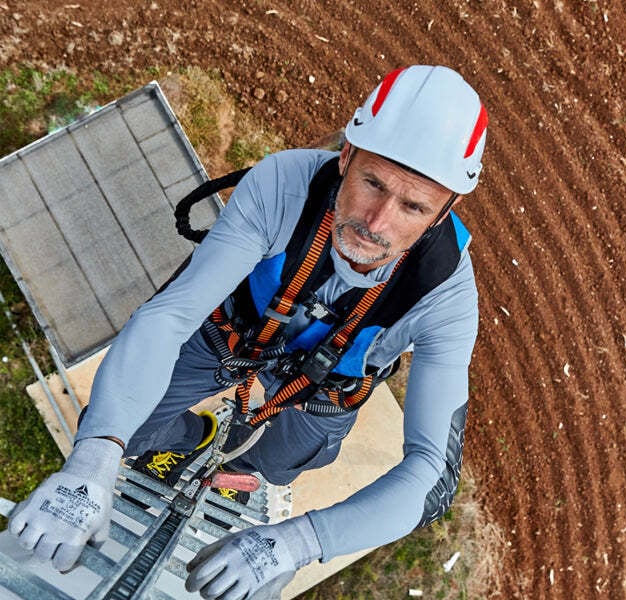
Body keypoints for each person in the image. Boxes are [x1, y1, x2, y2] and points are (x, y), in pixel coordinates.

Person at [9, 64, 488, 599]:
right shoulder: (285, 184)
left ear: (448, 208)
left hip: (324, 386)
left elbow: (433, 470)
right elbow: (171, 315)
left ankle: (251, 466)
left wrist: (299, 542)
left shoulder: (446, 294)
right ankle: (199, 437)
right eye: (372, 183)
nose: (376, 223)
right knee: (133, 434)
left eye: (413, 206)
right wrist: (94, 457)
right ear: (346, 156)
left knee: (287, 463)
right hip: (233, 335)